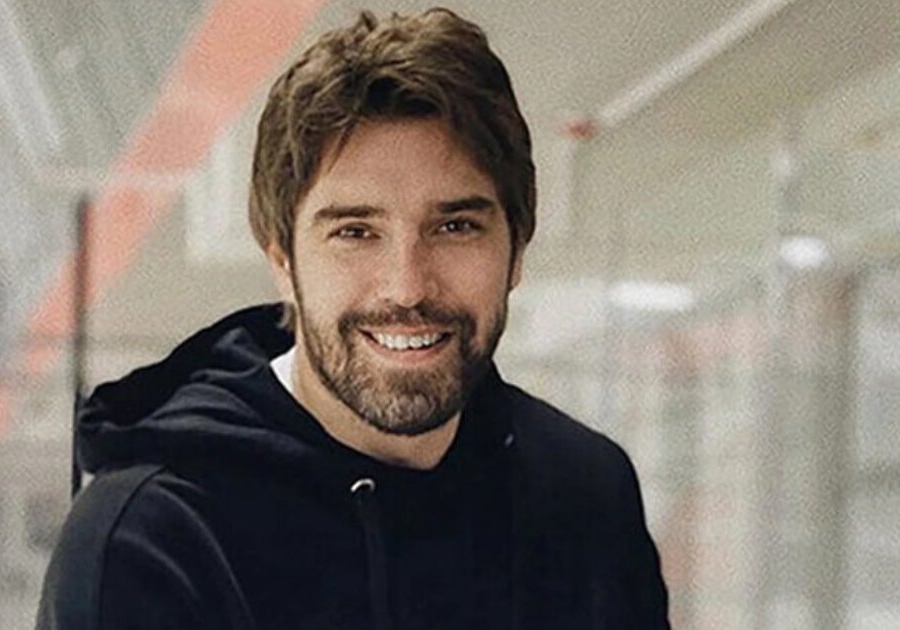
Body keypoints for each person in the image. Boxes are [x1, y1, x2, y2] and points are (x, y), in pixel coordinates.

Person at [37, 8, 670, 630]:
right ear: (283, 261)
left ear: (516, 250)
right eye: (355, 231)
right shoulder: (154, 542)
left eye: (455, 226)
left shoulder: (585, 494)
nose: (407, 286)